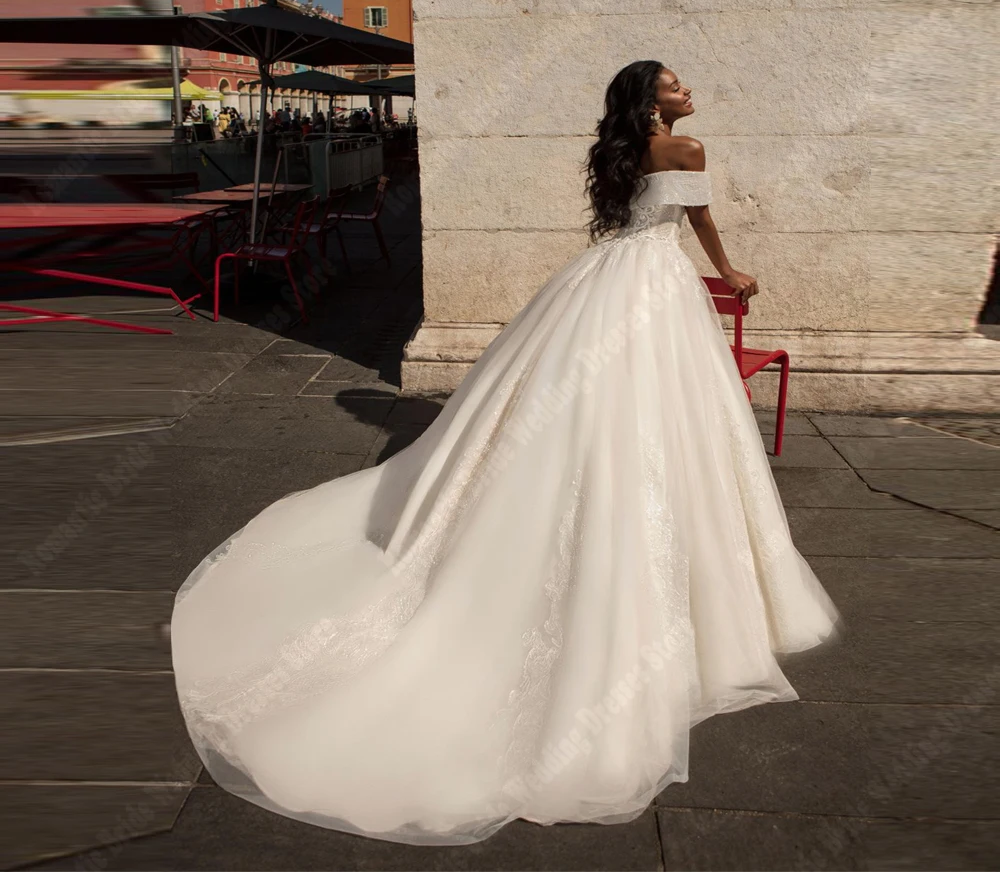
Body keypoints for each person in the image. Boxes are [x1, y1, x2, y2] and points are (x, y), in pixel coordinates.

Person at [169, 60, 841, 846]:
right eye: (674, 85)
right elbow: (699, 230)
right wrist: (733, 275)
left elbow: (634, 220)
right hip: (657, 287)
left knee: (580, 402)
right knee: (671, 415)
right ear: (651, 101)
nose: (688, 91)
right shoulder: (687, 154)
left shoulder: (616, 150)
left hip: (601, 282)